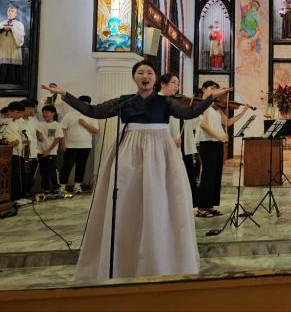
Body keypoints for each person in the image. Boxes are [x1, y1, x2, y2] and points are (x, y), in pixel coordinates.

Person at [42, 61, 228, 281]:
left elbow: (190, 113)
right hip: (128, 153)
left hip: (160, 153)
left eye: (149, 72)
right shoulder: (125, 100)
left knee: (159, 200)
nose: (145, 76)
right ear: (134, 77)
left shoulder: (166, 101)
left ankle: (159, 255)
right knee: (126, 199)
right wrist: (65, 94)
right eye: (140, 72)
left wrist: (210, 98)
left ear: (155, 78)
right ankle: (124, 257)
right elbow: (94, 111)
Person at [195, 81, 250, 218]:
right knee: (207, 175)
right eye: (212, 88)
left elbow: (228, 122)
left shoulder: (216, 107)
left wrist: (243, 112)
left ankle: (210, 206)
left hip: (217, 143)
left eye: (216, 89)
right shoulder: (203, 105)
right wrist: (219, 136)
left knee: (216, 175)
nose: (215, 90)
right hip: (208, 143)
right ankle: (201, 208)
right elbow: (203, 125)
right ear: (204, 89)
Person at [157, 74, 198, 207]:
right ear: (163, 84)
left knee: (185, 178)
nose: (177, 86)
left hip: (182, 143)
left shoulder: (176, 102)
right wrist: (170, 140)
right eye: (174, 83)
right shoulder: (157, 101)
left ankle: (184, 206)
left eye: (178, 84)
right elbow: (157, 127)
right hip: (168, 144)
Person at [59, 95, 99, 196]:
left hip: (85, 145)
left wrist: (84, 123)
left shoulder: (92, 115)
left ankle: (77, 186)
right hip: (70, 146)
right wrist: (63, 143)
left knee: (81, 166)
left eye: (86, 104)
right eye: (82, 104)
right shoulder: (70, 115)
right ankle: (62, 186)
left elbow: (95, 131)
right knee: (67, 165)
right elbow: (62, 129)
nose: (84, 106)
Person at [0, 5, 26, 86]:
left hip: (14, 47)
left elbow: (21, 34)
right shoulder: (2, 23)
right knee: (3, 65)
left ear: (16, 14)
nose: (10, 13)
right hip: (4, 47)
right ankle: (2, 80)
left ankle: (14, 81)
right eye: (9, 11)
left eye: (12, 11)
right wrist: (2, 29)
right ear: (6, 12)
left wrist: (12, 29)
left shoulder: (19, 24)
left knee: (13, 65)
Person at [36, 105, 63, 194]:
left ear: (53, 113)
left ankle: (56, 187)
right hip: (41, 152)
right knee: (43, 171)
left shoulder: (57, 125)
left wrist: (48, 151)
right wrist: (39, 136)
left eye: (47, 112)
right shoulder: (40, 124)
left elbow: (56, 140)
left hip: (51, 153)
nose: (44, 114)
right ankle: (46, 188)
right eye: (43, 112)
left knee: (52, 171)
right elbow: (38, 133)